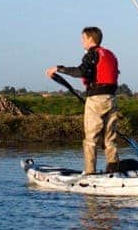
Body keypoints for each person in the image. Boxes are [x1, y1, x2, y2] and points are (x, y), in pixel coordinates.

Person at [46, 26, 119, 175]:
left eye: (83, 39)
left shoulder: (92, 54)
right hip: (111, 99)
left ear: (91, 39)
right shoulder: (110, 54)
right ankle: (113, 168)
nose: (82, 42)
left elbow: (81, 71)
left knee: (91, 138)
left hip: (96, 99)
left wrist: (59, 69)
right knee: (109, 137)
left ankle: (90, 172)